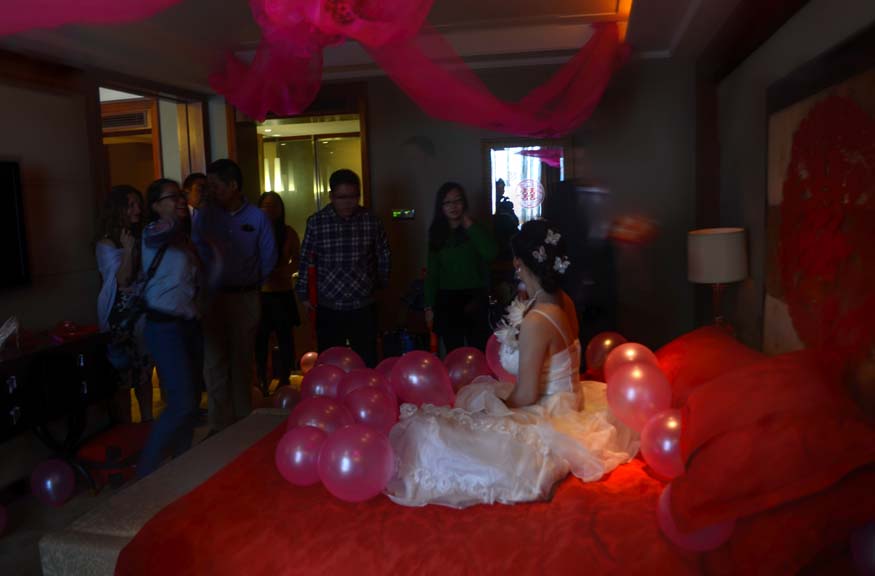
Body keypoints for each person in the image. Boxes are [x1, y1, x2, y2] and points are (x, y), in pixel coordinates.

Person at [386, 220, 638, 508]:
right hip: (572, 398)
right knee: (461, 414)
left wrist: (494, 409)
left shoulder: (537, 320)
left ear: (518, 262)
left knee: (429, 434)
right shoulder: (563, 301)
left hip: (548, 408)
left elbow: (527, 395)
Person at [193, 159, 277, 432]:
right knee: (214, 362)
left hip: (245, 296)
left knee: (242, 361)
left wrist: (250, 283)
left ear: (233, 186)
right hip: (212, 298)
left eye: (216, 186)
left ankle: (242, 425)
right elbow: (196, 252)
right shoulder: (205, 216)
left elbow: (268, 258)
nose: (211, 191)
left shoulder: (257, 217)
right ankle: (218, 425)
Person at [137, 178, 202, 477]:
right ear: (155, 206)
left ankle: (181, 467)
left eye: (181, 196)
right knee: (181, 402)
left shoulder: (183, 238)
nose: (180, 200)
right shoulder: (152, 232)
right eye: (172, 197)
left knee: (191, 402)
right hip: (164, 325)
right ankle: (146, 473)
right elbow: (163, 233)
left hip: (188, 324)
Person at [296, 169, 390, 367]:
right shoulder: (317, 222)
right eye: (342, 197)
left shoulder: (371, 221)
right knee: (330, 362)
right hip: (329, 304)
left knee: (366, 361)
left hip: (362, 303)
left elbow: (383, 254)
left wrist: (380, 283)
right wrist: (304, 295)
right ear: (331, 196)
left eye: (353, 196)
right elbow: (306, 260)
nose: (348, 202)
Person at [95, 185, 153, 422]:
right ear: (118, 209)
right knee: (122, 376)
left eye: (138, 204)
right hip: (118, 316)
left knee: (144, 372)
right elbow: (123, 279)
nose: (137, 209)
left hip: (141, 314)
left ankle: (148, 423)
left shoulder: (142, 237)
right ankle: (126, 428)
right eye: (131, 205)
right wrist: (128, 250)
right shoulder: (106, 244)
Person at [424, 182, 497, 353]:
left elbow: (491, 253)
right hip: (447, 300)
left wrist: (468, 224)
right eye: (447, 202)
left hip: (475, 297)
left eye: (458, 201)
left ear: (464, 203)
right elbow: (432, 273)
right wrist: (428, 306)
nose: (453, 206)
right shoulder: (437, 234)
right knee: (453, 350)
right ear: (441, 206)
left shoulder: (474, 228)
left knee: (478, 349)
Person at [255, 192, 301, 395]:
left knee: (285, 337)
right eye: (265, 205)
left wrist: (285, 271)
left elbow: (298, 259)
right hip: (260, 292)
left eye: (274, 205)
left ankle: (284, 377)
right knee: (260, 338)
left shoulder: (288, 232)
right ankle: (261, 378)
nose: (270, 209)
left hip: (282, 291)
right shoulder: (254, 230)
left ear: (281, 209)